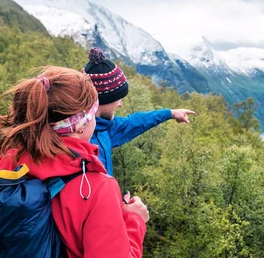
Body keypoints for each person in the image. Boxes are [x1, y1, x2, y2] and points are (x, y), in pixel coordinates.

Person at [0, 67, 148, 258]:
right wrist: (134, 221)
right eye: (93, 111)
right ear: (79, 124)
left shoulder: (11, 163)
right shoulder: (96, 187)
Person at [83, 48, 195, 176]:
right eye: (118, 99)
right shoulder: (85, 148)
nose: (120, 104)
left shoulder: (103, 127)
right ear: (103, 100)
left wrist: (170, 113)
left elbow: (136, 122)